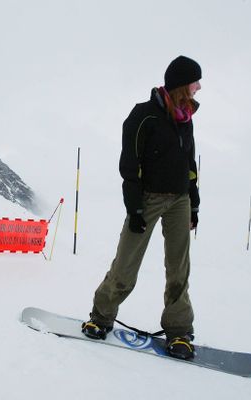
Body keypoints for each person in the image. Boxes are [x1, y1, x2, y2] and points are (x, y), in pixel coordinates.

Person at [81, 55, 202, 360]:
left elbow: (190, 165)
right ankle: (101, 316)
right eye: (194, 82)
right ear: (180, 85)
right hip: (146, 199)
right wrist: (134, 208)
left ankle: (179, 332)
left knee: (178, 269)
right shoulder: (143, 116)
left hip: (179, 201)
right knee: (126, 264)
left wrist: (193, 204)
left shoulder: (186, 119)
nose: (199, 87)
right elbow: (129, 166)